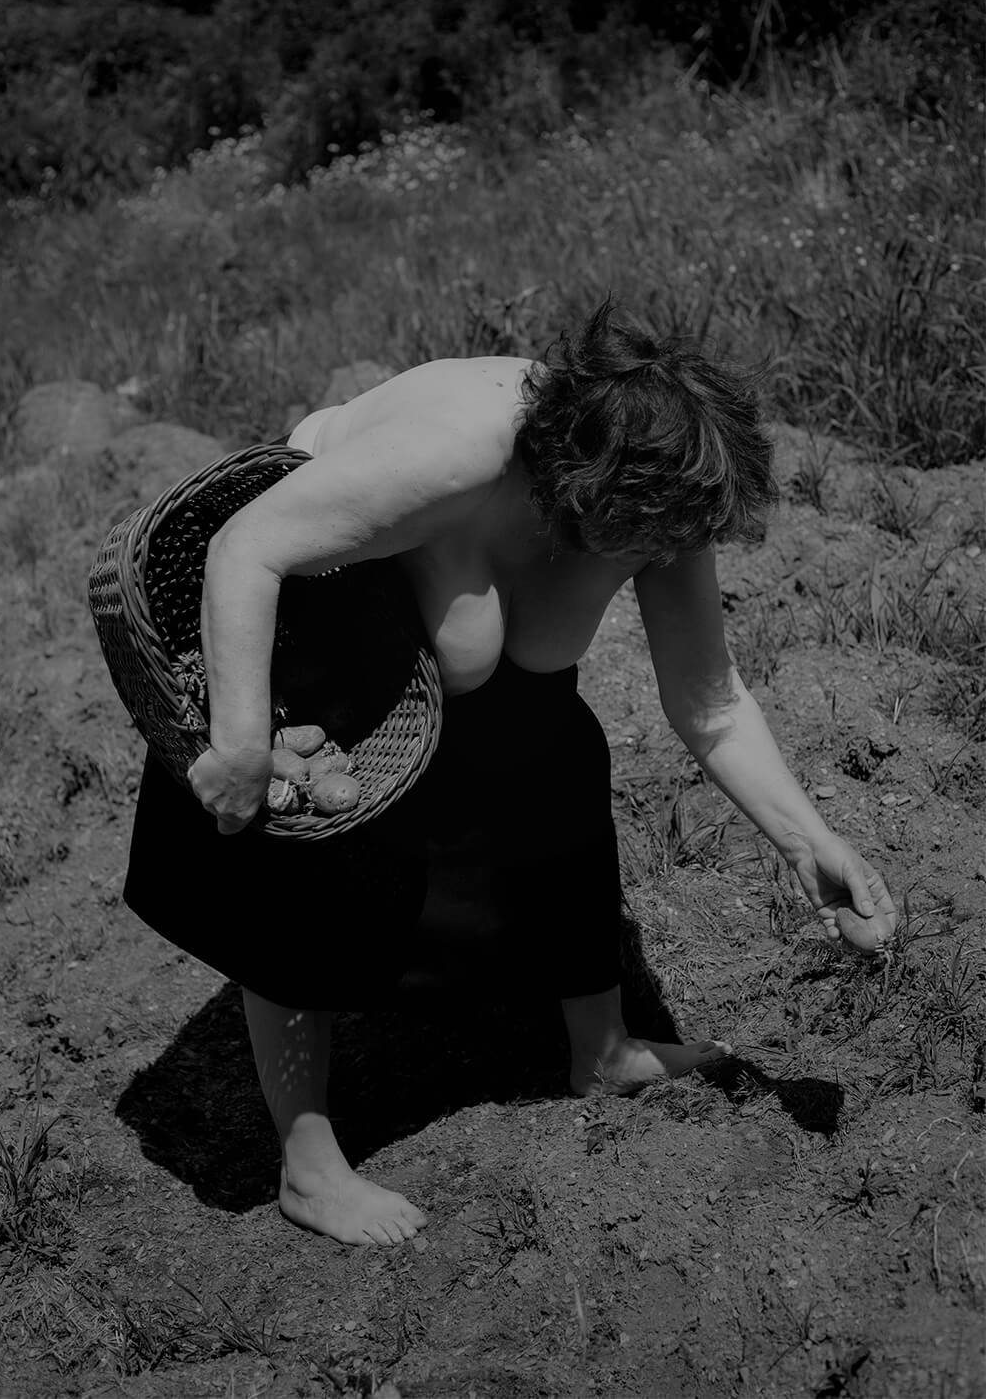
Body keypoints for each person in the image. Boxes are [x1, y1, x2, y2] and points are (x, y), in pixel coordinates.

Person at [123, 296, 896, 1249]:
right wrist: (243, 745)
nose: (667, 558)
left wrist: (809, 843)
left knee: (559, 757)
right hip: (328, 603)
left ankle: (603, 1053)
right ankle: (307, 1164)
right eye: (651, 538)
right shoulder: (456, 453)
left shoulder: (661, 502)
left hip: (458, 618)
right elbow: (247, 551)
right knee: (312, 863)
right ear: (586, 490)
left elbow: (710, 700)